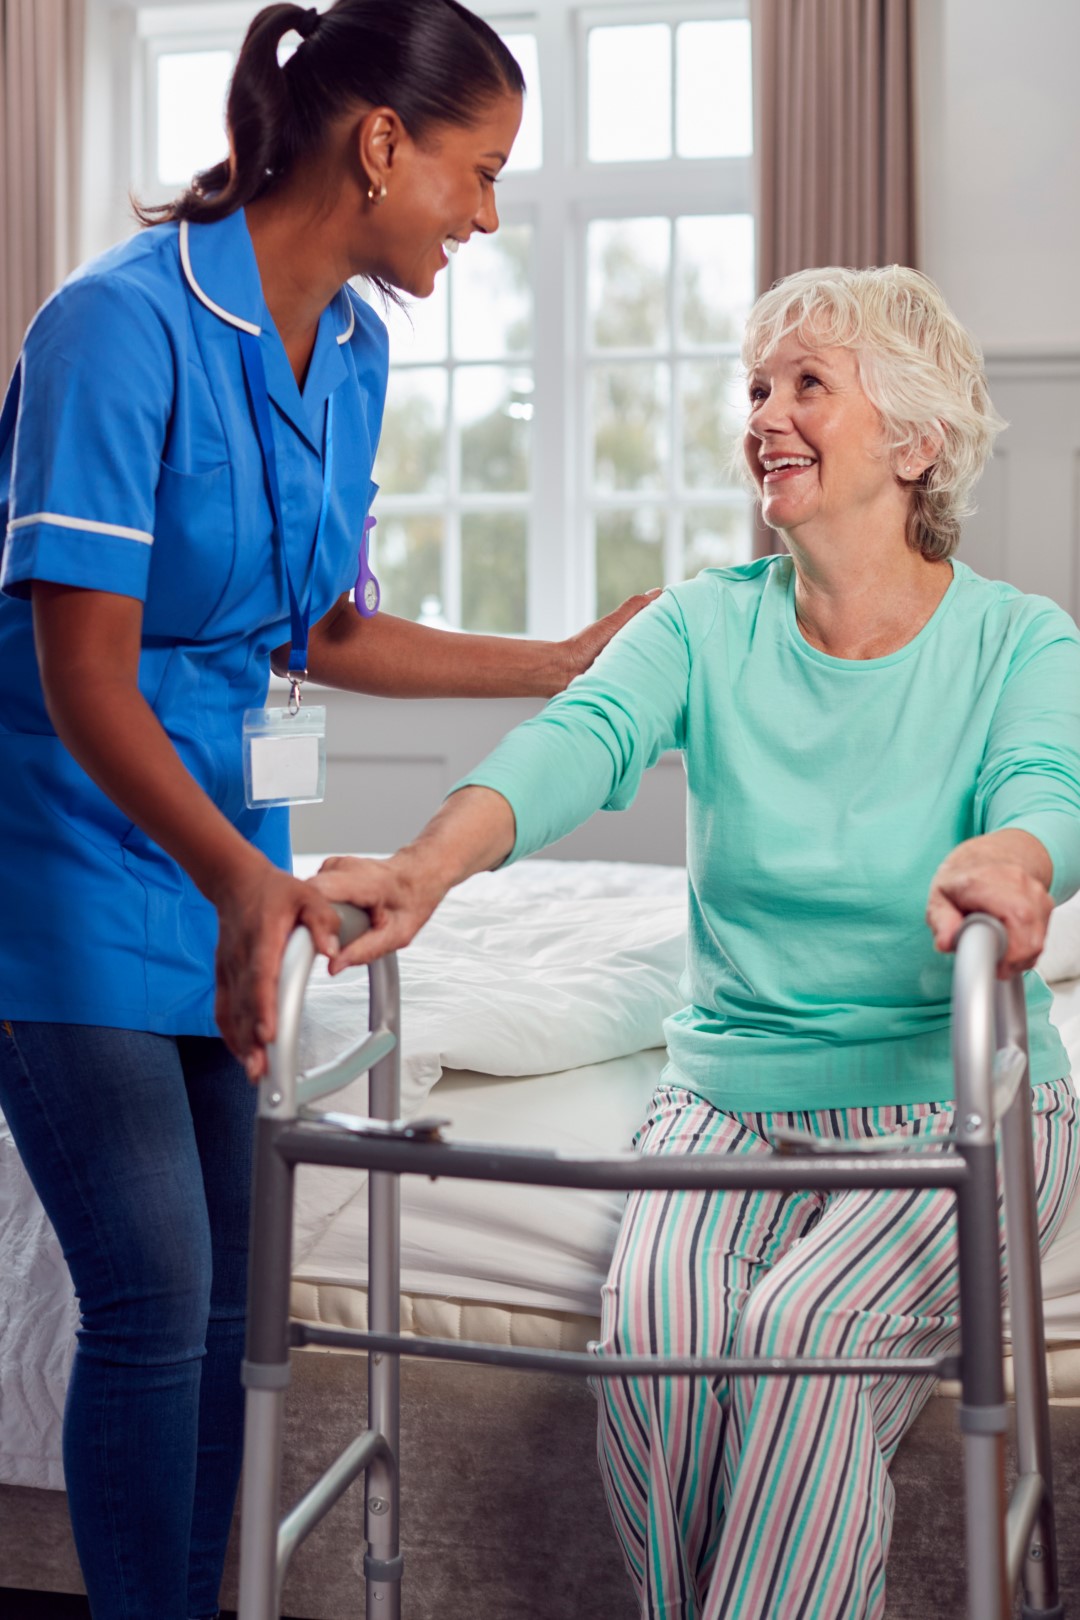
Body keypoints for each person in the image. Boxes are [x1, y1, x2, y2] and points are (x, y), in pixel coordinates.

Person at [0, 4, 650, 1616]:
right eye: (480, 174)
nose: (487, 216)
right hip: (71, 860)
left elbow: (317, 627)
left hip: (230, 864)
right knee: (153, 1292)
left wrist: (559, 658)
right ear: (379, 146)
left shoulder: (352, 350)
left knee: (232, 1307)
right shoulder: (115, 327)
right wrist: (235, 877)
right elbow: (80, 672)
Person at [313, 264, 1080, 1619]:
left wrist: (1013, 861)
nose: (765, 416)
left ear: (917, 442)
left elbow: (1046, 793)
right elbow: (575, 741)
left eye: (807, 386)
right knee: (658, 1341)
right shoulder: (703, 624)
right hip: (723, 1094)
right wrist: (432, 863)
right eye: (757, 389)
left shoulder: (1020, 641)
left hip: (942, 1097)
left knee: (802, 1334)